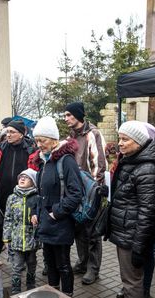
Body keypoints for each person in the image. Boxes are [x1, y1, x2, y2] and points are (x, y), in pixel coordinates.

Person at [106, 121, 155, 298]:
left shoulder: (147, 167)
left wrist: (139, 246)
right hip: (124, 230)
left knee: (132, 281)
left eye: (125, 139)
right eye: (119, 138)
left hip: (132, 235)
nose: (120, 143)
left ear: (138, 141)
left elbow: (147, 212)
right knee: (127, 280)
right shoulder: (131, 160)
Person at [32, 117, 82, 296]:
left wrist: (56, 213)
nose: (39, 144)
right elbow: (40, 193)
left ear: (54, 140)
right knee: (50, 264)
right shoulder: (44, 161)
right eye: (37, 140)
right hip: (45, 223)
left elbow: (76, 193)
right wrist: (36, 213)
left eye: (43, 140)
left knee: (63, 264)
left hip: (60, 223)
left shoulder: (66, 161)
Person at [64, 102, 107, 285]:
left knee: (92, 232)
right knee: (79, 229)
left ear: (78, 115)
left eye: (68, 115)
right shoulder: (70, 137)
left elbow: (99, 164)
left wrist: (94, 191)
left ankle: (93, 269)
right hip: (75, 190)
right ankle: (82, 262)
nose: (65, 118)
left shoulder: (92, 134)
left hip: (90, 191)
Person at [0, 120, 34, 259]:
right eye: (7, 132)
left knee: (21, 226)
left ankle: (21, 259)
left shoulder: (30, 149)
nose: (8, 135)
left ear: (21, 134)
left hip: (23, 195)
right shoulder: (1, 148)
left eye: (12, 132)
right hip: (2, 193)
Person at [2, 168, 40, 294]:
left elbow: (41, 219)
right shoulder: (12, 198)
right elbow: (8, 219)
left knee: (32, 264)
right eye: (20, 177)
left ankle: (30, 286)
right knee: (16, 266)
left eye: (26, 177)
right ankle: (16, 290)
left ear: (33, 182)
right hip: (17, 240)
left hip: (32, 240)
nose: (22, 179)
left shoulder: (37, 198)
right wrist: (6, 239)